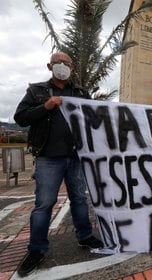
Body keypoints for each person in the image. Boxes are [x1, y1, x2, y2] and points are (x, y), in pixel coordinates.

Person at [14, 52, 103, 277]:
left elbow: (93, 119)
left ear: (72, 68)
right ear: (49, 66)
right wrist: (46, 106)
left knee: (80, 199)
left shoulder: (81, 93)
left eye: (67, 63)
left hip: (75, 157)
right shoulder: (36, 91)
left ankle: (85, 236)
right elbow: (20, 118)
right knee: (44, 204)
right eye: (58, 63)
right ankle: (36, 249)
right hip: (48, 158)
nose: (62, 66)